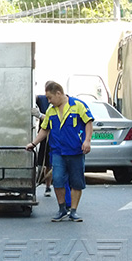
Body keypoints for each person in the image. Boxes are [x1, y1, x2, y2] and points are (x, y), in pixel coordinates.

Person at [26, 81, 93, 222]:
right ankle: (62, 209)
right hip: (57, 152)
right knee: (57, 180)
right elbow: (45, 129)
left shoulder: (78, 105)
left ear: (58, 93)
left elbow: (88, 122)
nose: (49, 101)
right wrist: (33, 143)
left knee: (76, 182)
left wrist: (87, 140)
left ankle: (73, 211)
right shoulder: (51, 111)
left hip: (75, 151)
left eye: (50, 98)